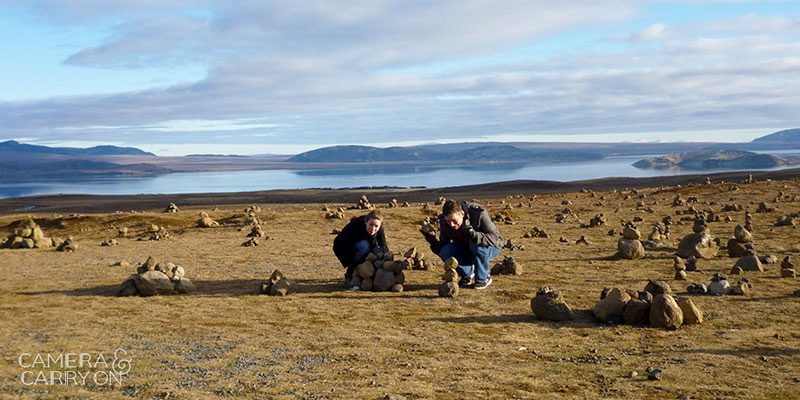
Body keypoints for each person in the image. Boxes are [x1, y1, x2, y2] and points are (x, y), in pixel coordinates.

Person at [422, 199, 503, 289]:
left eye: (454, 220)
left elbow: (497, 240)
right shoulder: (444, 222)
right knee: (445, 251)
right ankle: (467, 274)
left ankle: (483, 278)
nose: (451, 224)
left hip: (489, 248)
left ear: (462, 214)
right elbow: (443, 246)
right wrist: (432, 240)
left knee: (474, 244)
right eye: (448, 221)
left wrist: (476, 235)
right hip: (467, 248)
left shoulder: (478, 214)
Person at [333, 209, 388, 286]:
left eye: (376, 226)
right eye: (371, 225)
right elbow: (340, 244)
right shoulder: (356, 226)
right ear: (366, 222)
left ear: (380, 225)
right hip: (343, 246)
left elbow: (385, 248)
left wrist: (374, 254)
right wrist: (352, 265)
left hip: (363, 247)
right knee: (364, 246)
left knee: (374, 250)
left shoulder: (379, 230)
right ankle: (350, 274)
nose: (373, 229)